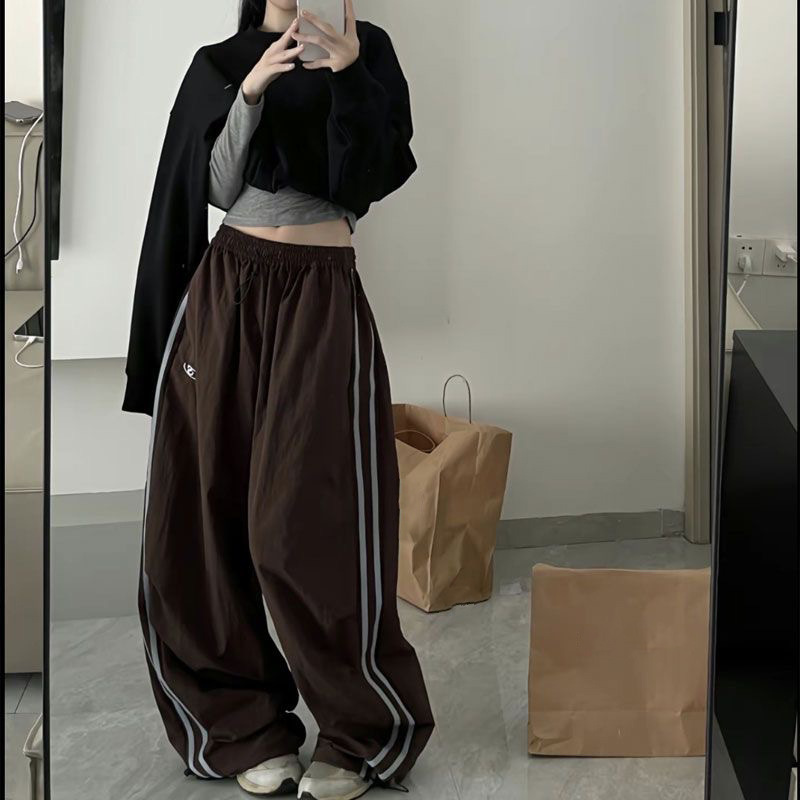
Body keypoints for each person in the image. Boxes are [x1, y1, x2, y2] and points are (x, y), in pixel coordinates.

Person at [123, 1, 434, 798]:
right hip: (226, 292)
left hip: (321, 295)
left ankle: (360, 730)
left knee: (307, 521)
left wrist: (351, 76)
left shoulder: (368, 49)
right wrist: (253, 93)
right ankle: (240, 726)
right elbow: (211, 186)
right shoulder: (221, 60)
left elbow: (370, 183)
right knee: (203, 515)